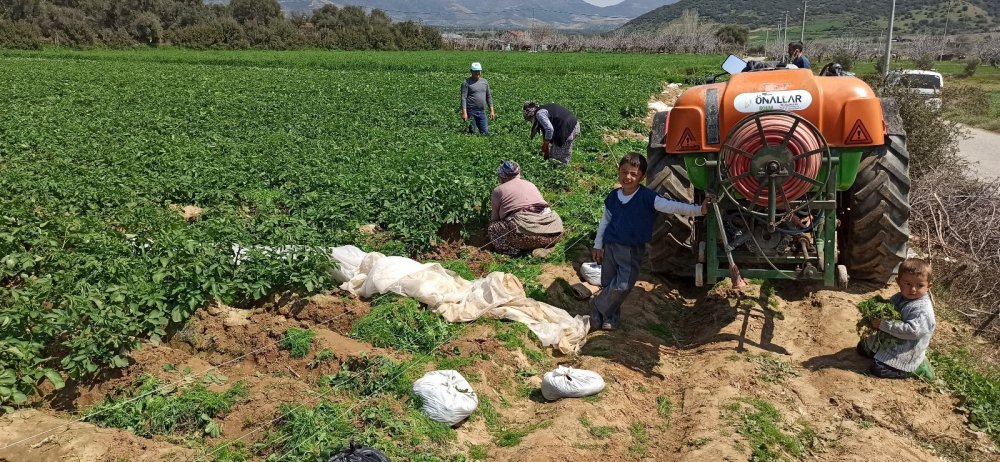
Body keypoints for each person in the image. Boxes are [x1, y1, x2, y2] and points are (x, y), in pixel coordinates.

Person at [590, 152, 710, 331]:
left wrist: (699, 210)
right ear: (618, 171)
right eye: (624, 172)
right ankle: (609, 317)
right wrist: (598, 245)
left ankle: (597, 305)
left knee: (622, 286)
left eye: (633, 174)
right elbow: (605, 221)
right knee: (609, 283)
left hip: (631, 250)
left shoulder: (647, 197)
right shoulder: (613, 197)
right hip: (610, 247)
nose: (627, 177)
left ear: (642, 177)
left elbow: (673, 206)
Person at [856, 258, 937, 380]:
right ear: (898, 282)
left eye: (920, 285)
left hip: (907, 350)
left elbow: (913, 331)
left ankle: (915, 369)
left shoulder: (923, 309)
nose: (913, 289)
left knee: (878, 369)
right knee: (861, 348)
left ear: (928, 286)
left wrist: (883, 324)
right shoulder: (900, 297)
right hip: (891, 341)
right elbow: (889, 311)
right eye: (907, 284)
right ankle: (882, 353)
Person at [488, 160, 564, 256]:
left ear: (501, 176)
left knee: (493, 228)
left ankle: (518, 252)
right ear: (518, 173)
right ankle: (547, 247)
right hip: (554, 232)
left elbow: (495, 219)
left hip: (526, 239)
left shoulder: (498, 190)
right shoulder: (530, 184)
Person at [460, 62, 495, 135]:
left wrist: (491, 110)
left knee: (485, 132)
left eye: (478, 71)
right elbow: (463, 98)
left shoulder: (484, 82)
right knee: (473, 132)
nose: (477, 73)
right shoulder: (466, 82)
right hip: (471, 111)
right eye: (475, 71)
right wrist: (464, 112)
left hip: (482, 111)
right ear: (471, 71)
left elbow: (488, 96)